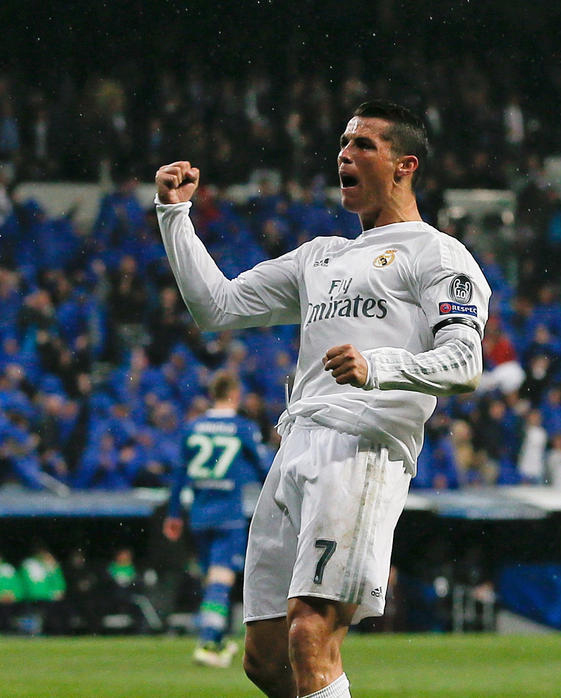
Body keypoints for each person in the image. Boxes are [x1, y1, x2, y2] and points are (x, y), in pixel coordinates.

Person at [155, 99, 490, 698]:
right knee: (264, 657)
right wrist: (174, 217)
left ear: (405, 164)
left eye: (364, 145)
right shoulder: (321, 256)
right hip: (294, 448)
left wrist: (378, 365)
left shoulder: (436, 254)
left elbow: (465, 362)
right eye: (343, 142)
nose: (345, 153)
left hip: (362, 447)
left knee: (311, 633)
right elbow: (218, 308)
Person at [163, 371, 271, 667]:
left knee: (211, 578)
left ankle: (218, 640)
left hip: (198, 515)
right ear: (234, 395)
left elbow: (179, 476)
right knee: (220, 580)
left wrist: (174, 515)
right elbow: (265, 467)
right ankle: (208, 643)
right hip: (228, 516)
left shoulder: (193, 427)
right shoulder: (242, 428)